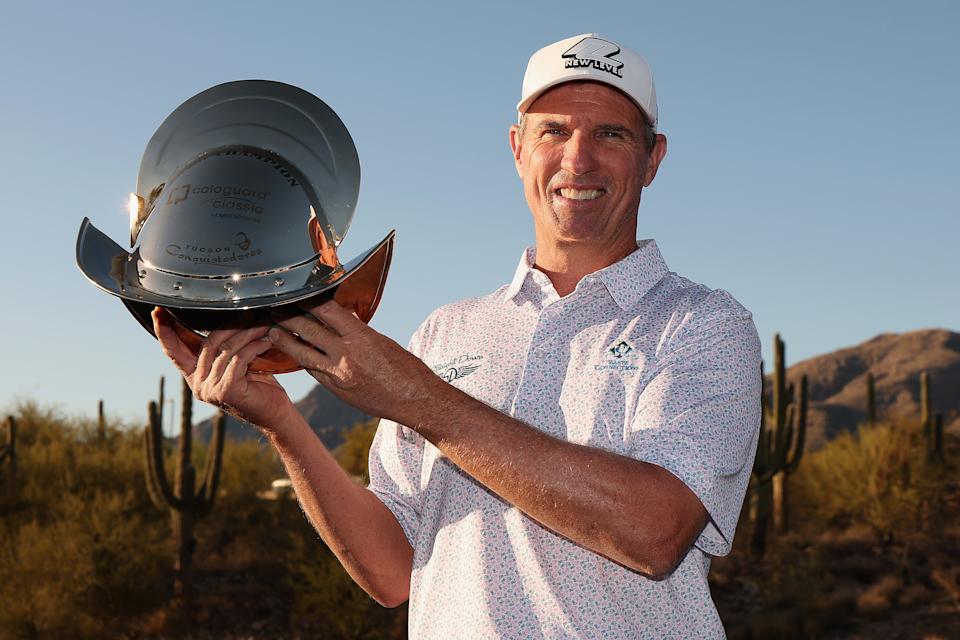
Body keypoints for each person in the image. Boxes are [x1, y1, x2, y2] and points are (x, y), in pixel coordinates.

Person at [153, 33, 761, 639]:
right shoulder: (448, 330)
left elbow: (655, 532)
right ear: (518, 148)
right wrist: (281, 423)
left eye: (611, 134)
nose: (579, 159)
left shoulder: (703, 324)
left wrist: (420, 400)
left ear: (653, 158)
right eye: (554, 131)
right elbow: (393, 573)